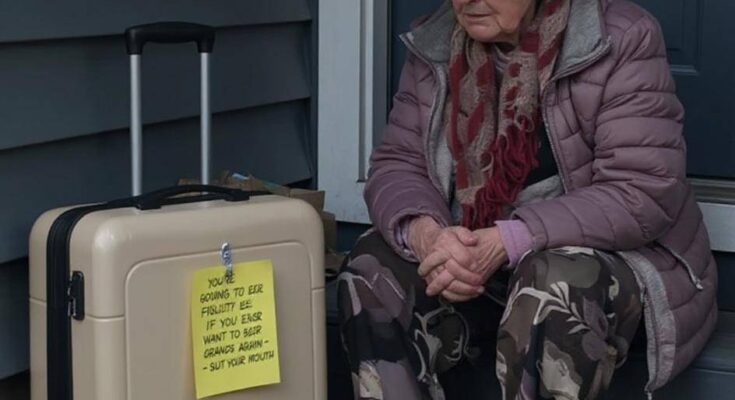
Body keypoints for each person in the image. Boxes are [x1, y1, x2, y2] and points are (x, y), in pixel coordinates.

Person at [336, 0, 718, 399]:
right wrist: (428, 236)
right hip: (471, 266)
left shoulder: (621, 37)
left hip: (600, 271)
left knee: (551, 280)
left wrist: (508, 240)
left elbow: (640, 191)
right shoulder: (435, 39)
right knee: (371, 266)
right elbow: (399, 164)